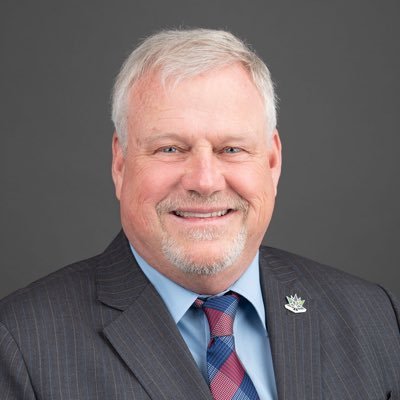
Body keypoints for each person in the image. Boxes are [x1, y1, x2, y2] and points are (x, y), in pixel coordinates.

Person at [0, 28, 399, 400]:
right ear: (120, 165)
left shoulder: (377, 318)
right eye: (170, 149)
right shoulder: (21, 345)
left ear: (273, 162)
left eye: (231, 149)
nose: (204, 181)